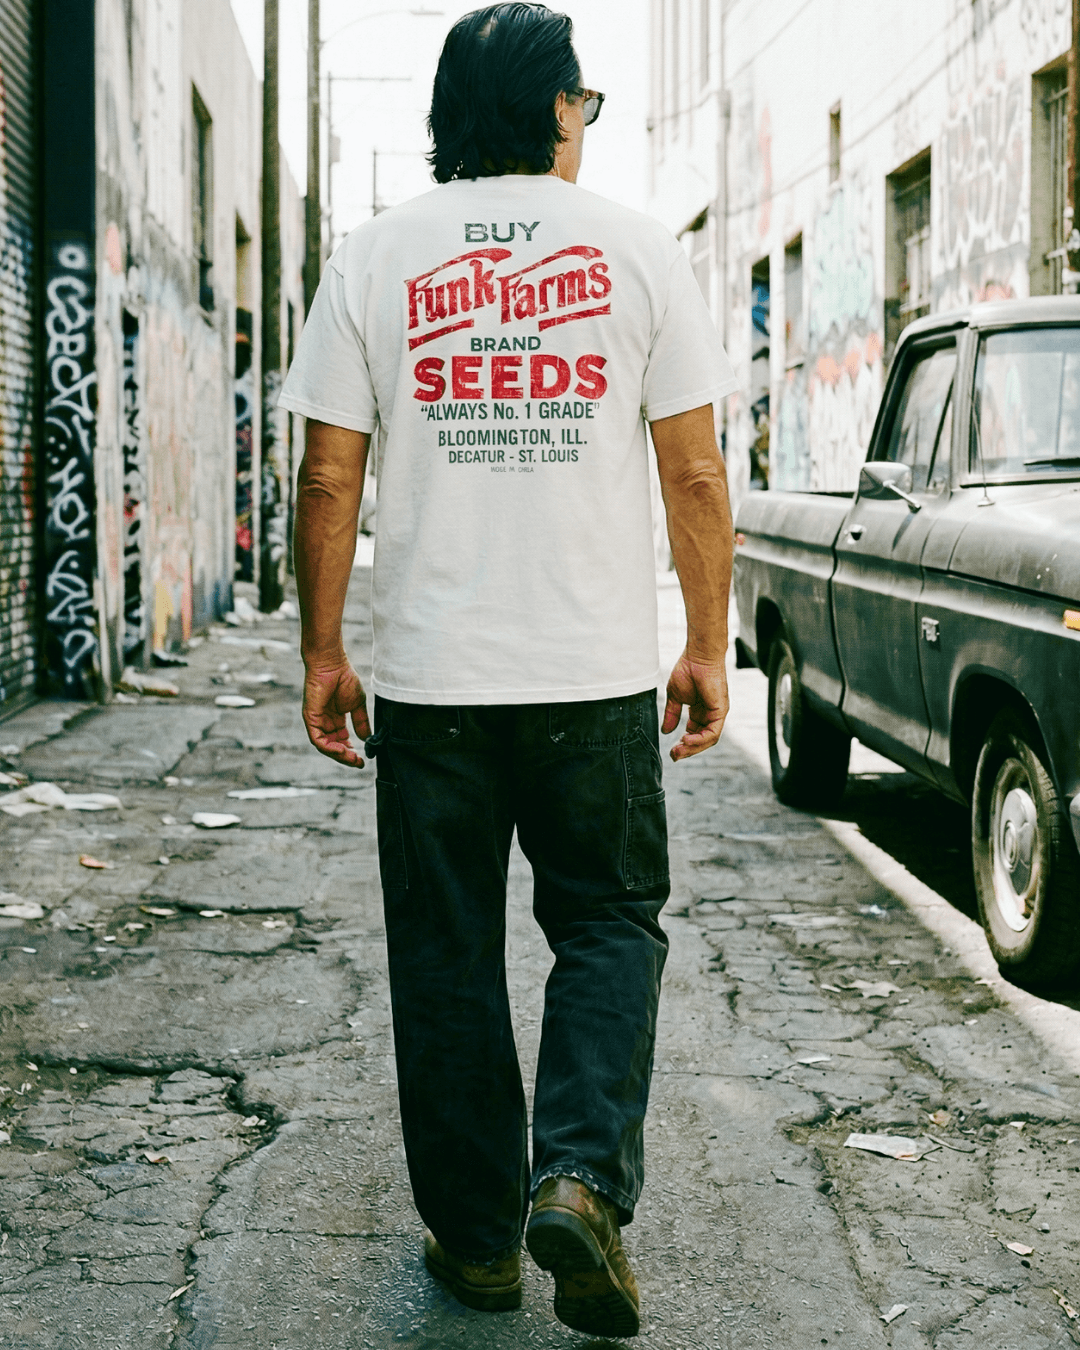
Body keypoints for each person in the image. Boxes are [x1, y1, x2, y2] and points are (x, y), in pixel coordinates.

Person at [280, 3, 737, 1337]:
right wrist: (706, 640)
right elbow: (695, 468)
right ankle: (583, 1179)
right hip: (589, 678)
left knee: (445, 951)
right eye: (581, 106)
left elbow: (326, 471)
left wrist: (325, 649)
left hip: (431, 682)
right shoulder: (640, 252)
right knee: (605, 923)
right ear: (552, 110)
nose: (586, 128)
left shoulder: (374, 256)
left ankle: (480, 1242)